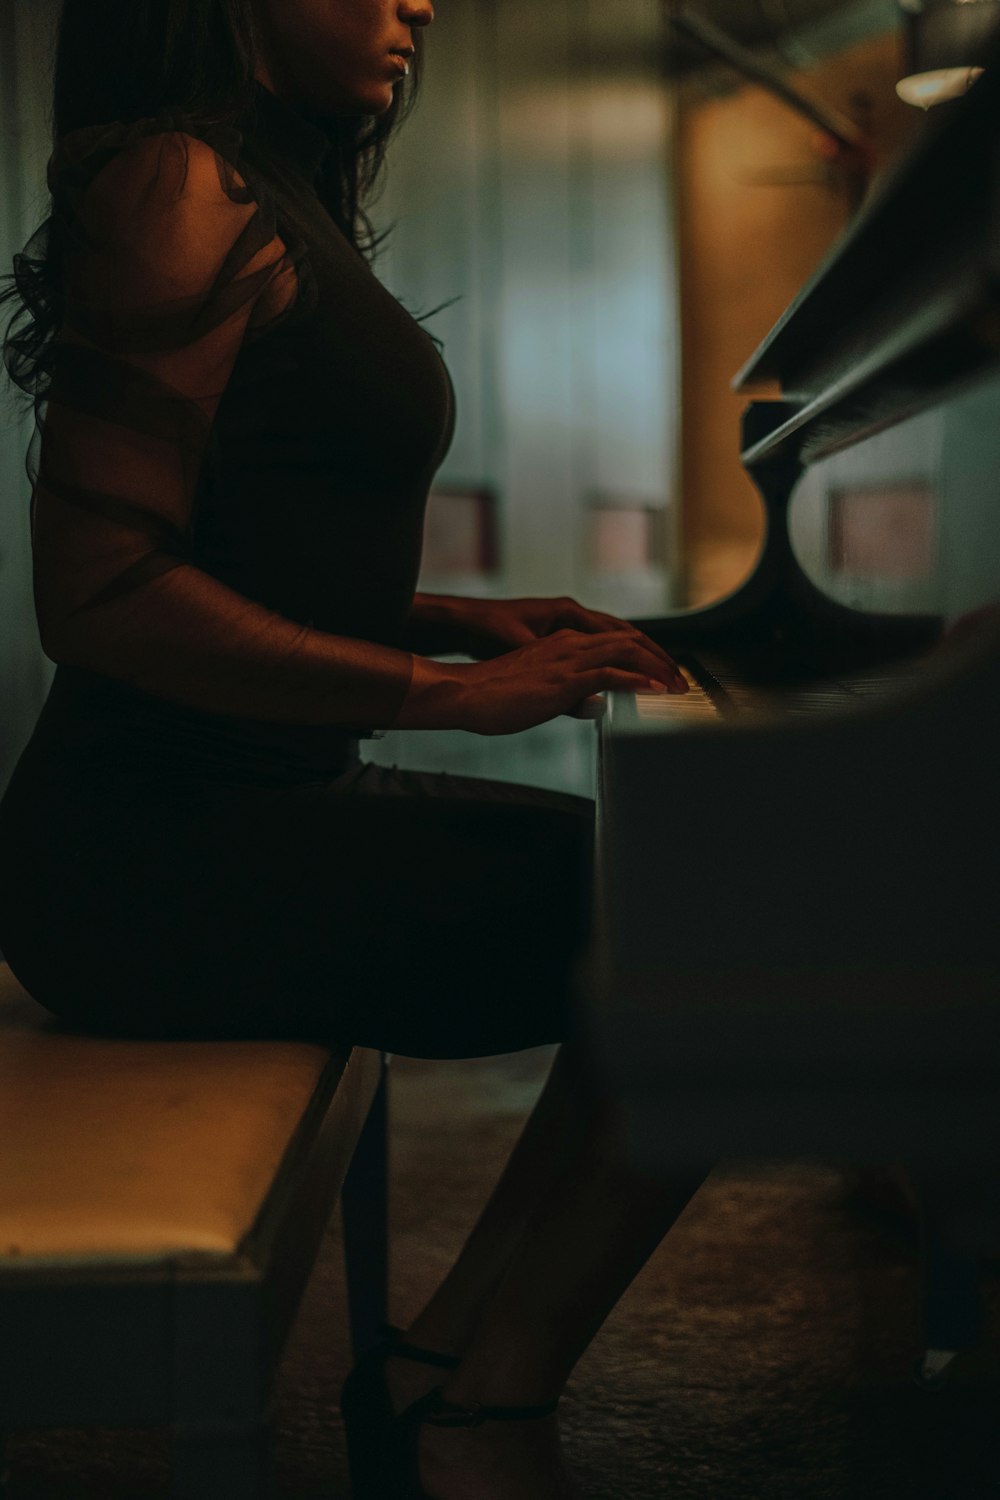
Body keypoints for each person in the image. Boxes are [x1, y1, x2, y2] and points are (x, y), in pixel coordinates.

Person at [0, 2, 706, 1495]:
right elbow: (101, 597)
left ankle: (456, 1359)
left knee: (685, 902)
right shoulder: (175, 183)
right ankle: (483, 1399)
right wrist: (437, 691)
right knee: (713, 931)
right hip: (147, 863)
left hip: (262, 809)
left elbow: (255, 541)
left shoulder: (266, 184)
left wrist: (461, 621)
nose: (420, 2)